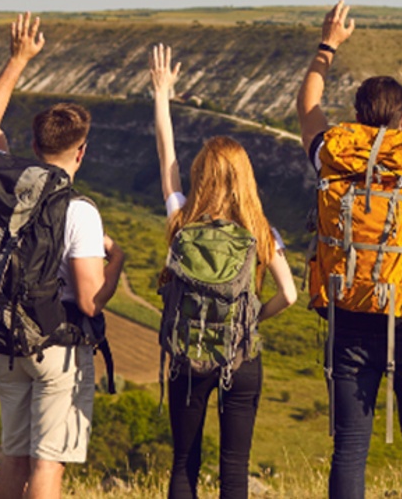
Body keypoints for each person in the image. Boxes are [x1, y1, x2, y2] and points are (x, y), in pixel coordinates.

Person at [295, 0, 402, 499]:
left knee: (349, 447)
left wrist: (328, 45)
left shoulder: (331, 159)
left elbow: (306, 106)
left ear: (359, 118)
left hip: (346, 315)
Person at [0, 13, 127, 499]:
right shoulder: (80, 212)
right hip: (57, 345)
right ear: (80, 153)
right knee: (48, 464)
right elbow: (88, 302)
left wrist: (18, 58)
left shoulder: (1, 182)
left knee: (12, 456)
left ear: (35, 145)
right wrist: (117, 262)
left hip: (5, 335)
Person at [148, 44, 300, 499]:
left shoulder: (181, 221)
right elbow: (290, 295)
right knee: (234, 470)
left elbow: (166, 157)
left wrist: (161, 95)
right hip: (241, 357)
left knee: (183, 465)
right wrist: (250, 317)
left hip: (187, 358)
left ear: (201, 175)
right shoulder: (260, 229)